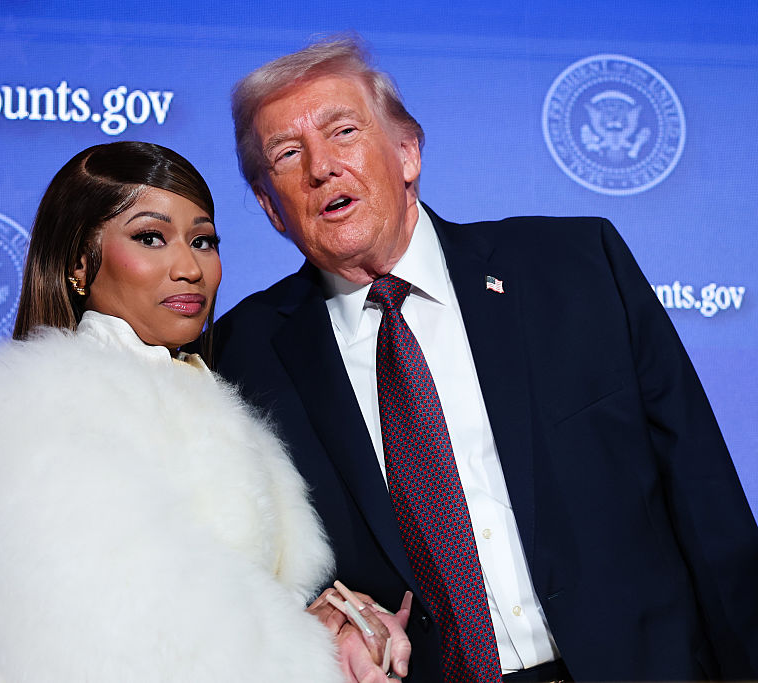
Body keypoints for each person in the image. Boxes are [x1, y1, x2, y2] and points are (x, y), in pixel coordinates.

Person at [212, 36, 758, 683]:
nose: (322, 167)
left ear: (407, 152)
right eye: (287, 154)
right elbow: (249, 571)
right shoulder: (245, 352)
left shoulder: (577, 267)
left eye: (344, 131)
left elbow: (705, 502)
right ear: (269, 205)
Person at [0, 141, 365, 682]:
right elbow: (135, 643)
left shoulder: (222, 410)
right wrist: (319, 660)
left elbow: (251, 613)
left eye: (203, 241)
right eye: (150, 237)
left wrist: (347, 628)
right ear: (80, 262)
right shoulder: (24, 407)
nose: (189, 267)